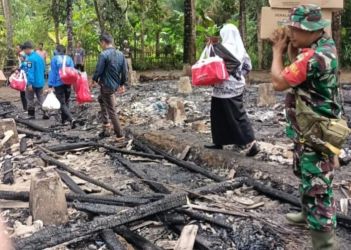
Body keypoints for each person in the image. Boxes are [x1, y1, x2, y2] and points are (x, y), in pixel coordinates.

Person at [271, 5, 341, 249]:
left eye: (296, 29)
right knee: (306, 174)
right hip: (310, 128)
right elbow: (299, 73)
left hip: (316, 132)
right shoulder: (323, 46)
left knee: (318, 186)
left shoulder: (313, 57)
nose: (291, 32)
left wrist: (277, 51)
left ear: (313, 31)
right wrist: (292, 48)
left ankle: (325, 244)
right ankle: (305, 214)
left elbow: (278, 82)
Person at [205, 24, 259, 157]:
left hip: (220, 86)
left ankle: (251, 143)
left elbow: (209, 63)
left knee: (218, 114)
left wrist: (208, 46)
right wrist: (239, 75)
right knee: (236, 113)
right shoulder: (240, 49)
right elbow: (248, 66)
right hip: (236, 85)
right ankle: (226, 141)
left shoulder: (219, 48)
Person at [92, 33, 128, 142]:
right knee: (101, 99)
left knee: (111, 110)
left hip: (106, 86)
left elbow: (99, 70)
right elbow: (125, 71)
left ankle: (119, 135)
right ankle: (106, 126)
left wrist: (94, 79)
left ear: (103, 42)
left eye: (101, 43)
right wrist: (122, 84)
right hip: (114, 85)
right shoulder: (120, 54)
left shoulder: (104, 55)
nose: (101, 45)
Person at [48, 44, 76, 128]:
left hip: (58, 83)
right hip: (68, 83)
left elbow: (53, 72)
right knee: (66, 101)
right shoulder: (69, 59)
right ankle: (64, 120)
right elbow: (72, 71)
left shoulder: (54, 59)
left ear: (57, 51)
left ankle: (71, 119)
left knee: (62, 103)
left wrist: (50, 84)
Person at [21, 41, 47, 119]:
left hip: (33, 82)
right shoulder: (39, 57)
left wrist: (29, 83)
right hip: (40, 81)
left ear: (28, 49)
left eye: (24, 50)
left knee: (29, 98)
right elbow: (43, 69)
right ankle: (46, 113)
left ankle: (31, 114)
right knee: (41, 97)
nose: (24, 52)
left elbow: (30, 71)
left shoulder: (30, 59)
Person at [15, 44, 27, 111]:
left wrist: (18, 69)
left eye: (17, 48)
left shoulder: (22, 55)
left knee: (23, 93)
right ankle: (26, 108)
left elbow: (26, 68)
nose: (20, 58)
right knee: (23, 93)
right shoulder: (24, 62)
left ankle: (26, 108)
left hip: (24, 78)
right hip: (23, 76)